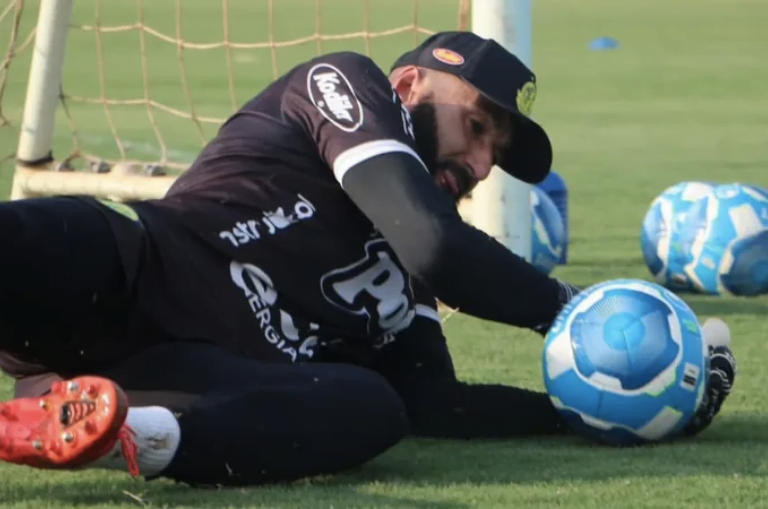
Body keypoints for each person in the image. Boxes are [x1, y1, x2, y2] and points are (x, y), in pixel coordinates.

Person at [0, 31, 735, 488]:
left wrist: (615, 405)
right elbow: (438, 247)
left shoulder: (405, 264)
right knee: (56, 236)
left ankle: (111, 433)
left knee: (374, 408)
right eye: (476, 127)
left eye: (495, 157)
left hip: (181, 372)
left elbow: (434, 404)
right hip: (132, 264)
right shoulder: (344, 85)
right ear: (411, 85)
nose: (481, 165)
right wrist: (585, 315)